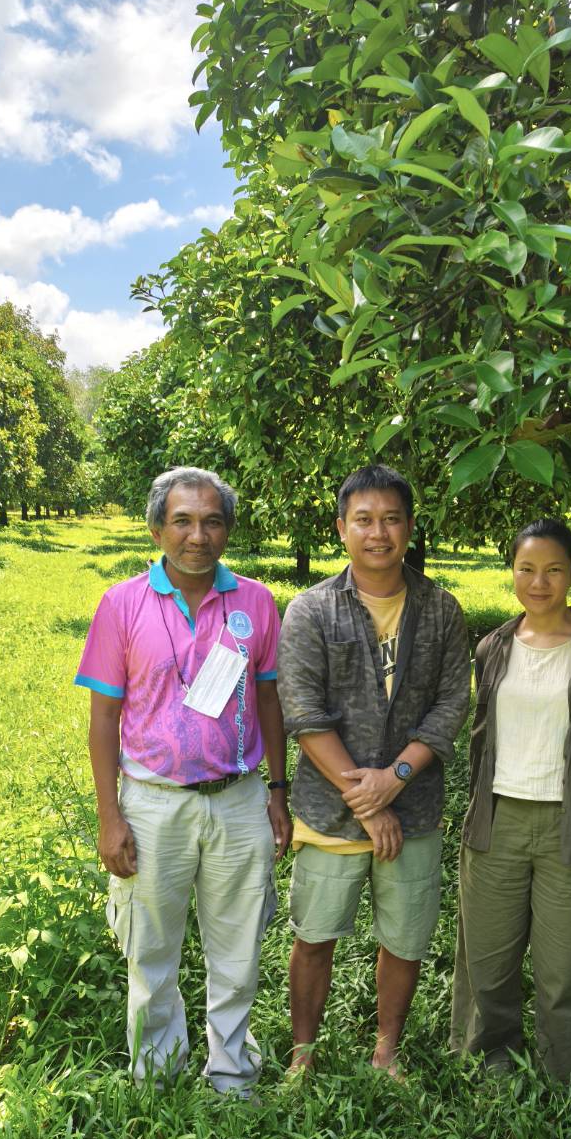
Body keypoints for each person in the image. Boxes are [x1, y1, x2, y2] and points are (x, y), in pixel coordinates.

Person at [75, 467, 291, 1096]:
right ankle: (157, 1076)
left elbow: (270, 700)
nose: (198, 535)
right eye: (183, 520)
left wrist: (278, 790)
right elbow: (105, 716)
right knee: (151, 951)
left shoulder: (255, 601)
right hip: (152, 804)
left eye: (213, 521)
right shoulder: (122, 604)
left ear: (227, 530)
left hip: (239, 799)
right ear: (156, 529)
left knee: (238, 949)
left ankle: (232, 1075)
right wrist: (110, 816)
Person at [276, 465, 470, 1078]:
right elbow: (303, 713)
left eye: (391, 519)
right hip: (331, 808)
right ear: (341, 529)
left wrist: (398, 779)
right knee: (314, 935)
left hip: (412, 810)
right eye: (364, 519)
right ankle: (302, 1053)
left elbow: (451, 701)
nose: (377, 532)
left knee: (405, 939)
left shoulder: (440, 609)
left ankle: (385, 1049)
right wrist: (369, 797)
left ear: (409, 529)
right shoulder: (311, 610)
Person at [450, 518, 571, 1082]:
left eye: (553, 570)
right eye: (527, 569)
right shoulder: (493, 647)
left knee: (566, 965)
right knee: (488, 957)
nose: (539, 582)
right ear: (512, 572)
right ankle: (490, 1060)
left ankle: (563, 1072)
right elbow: (480, 739)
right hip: (497, 820)